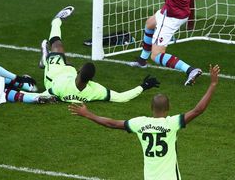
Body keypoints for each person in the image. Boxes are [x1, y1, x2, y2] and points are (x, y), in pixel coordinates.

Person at [68, 65, 220, 180]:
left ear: (151, 107)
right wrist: (212, 84)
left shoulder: (139, 124)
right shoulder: (172, 124)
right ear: (169, 108)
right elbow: (198, 110)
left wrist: (88, 114)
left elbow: (112, 124)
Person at [40, 6, 162, 102]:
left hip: (53, 76)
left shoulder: (60, 87)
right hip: (68, 73)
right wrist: (144, 86)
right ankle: (46, 58)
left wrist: (21, 94)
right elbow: (121, 97)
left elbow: (38, 96)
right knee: (68, 64)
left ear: (79, 72)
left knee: (57, 46)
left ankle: (56, 21)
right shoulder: (95, 91)